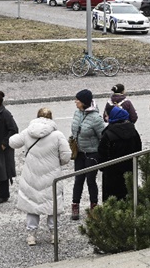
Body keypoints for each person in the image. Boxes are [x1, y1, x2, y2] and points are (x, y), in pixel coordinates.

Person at [11, 108, 72, 246]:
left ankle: (31, 235)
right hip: (52, 174)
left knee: (32, 204)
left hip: (31, 174)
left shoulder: (28, 132)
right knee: (53, 204)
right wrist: (58, 163)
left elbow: (12, 142)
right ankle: (54, 234)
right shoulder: (57, 135)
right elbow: (66, 156)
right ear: (51, 119)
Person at [70, 89, 105, 217]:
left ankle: (94, 205)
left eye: (77, 100)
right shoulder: (77, 113)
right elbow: (75, 129)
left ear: (84, 102)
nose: (75, 102)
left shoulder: (96, 118)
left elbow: (103, 136)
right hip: (79, 152)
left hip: (92, 153)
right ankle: (75, 205)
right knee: (78, 179)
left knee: (91, 180)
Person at [98, 106, 141, 201]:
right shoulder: (133, 131)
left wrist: (103, 168)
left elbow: (102, 156)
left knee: (112, 202)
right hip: (129, 171)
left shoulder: (108, 134)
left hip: (111, 174)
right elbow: (138, 149)